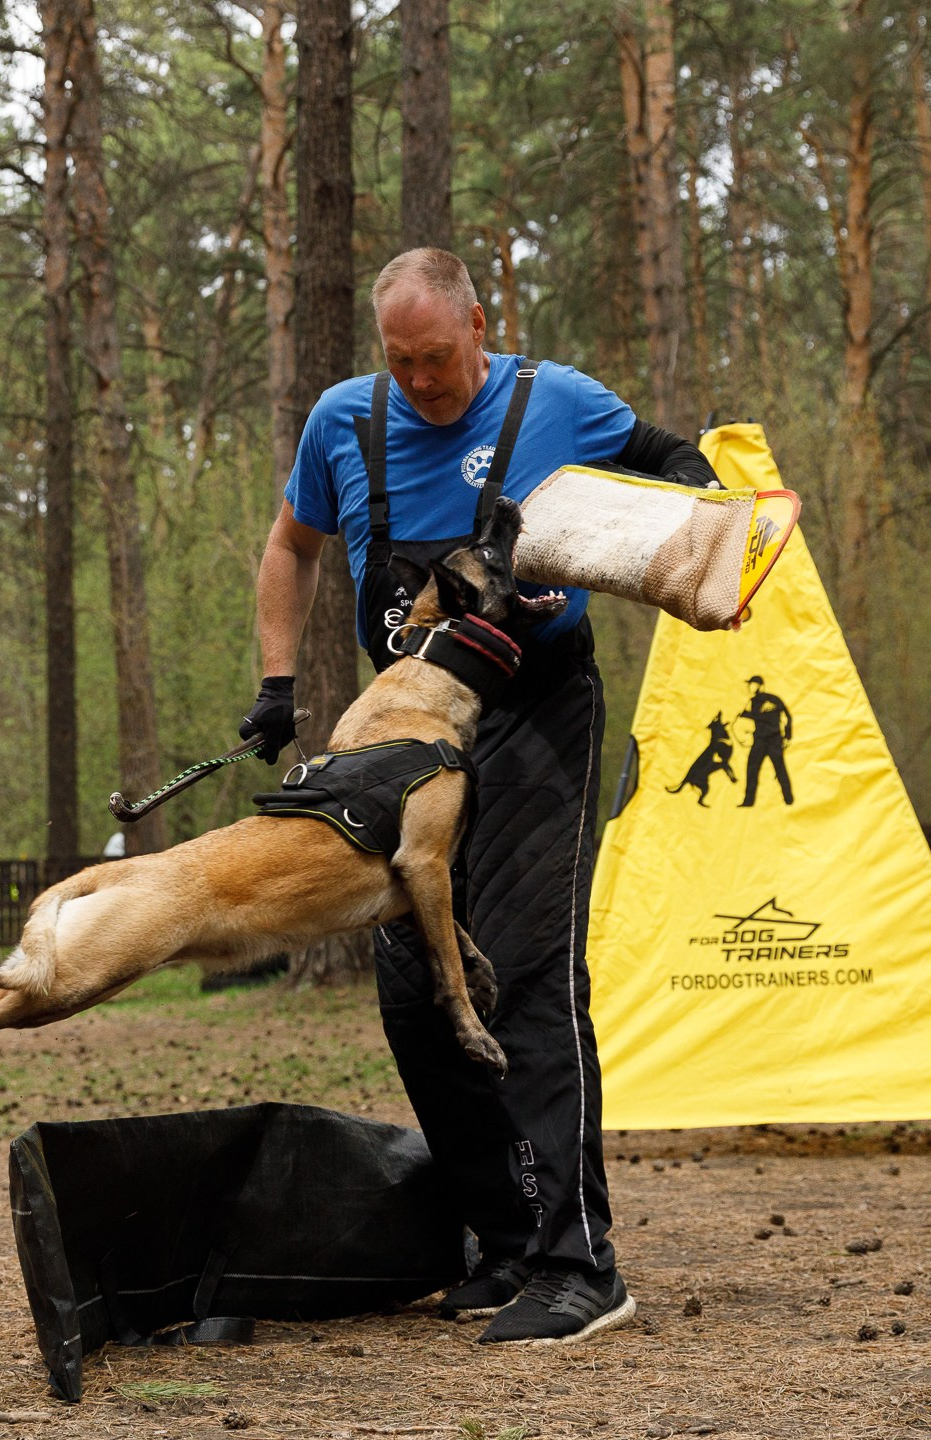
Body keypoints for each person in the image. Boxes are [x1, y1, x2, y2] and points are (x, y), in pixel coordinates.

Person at [239, 248, 716, 1347]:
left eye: (439, 359)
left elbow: (669, 459)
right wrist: (276, 683)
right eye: (400, 362)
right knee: (416, 995)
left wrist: (704, 525)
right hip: (403, 725)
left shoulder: (561, 402)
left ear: (478, 326)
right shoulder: (341, 423)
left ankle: (579, 1263)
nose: (420, 382)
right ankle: (504, 1244)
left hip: (535, 711)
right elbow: (290, 546)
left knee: (531, 977)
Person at [737, 675, 794, 807]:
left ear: (760, 686)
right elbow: (745, 719)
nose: (749, 687)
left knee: (780, 770)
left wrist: (788, 737)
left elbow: (786, 716)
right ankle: (748, 801)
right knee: (752, 769)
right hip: (759, 741)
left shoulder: (773, 699)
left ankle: (789, 799)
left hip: (774, 740)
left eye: (752, 684)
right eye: (749, 684)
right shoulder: (752, 702)